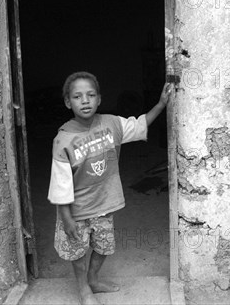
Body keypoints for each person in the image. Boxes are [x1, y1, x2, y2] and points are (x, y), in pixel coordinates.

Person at [48, 71, 172, 305]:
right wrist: (66, 217)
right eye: (77, 96)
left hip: (105, 203)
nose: (85, 100)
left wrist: (161, 104)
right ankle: (84, 289)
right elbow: (60, 183)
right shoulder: (63, 139)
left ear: (99, 99)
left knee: (104, 246)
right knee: (78, 251)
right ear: (68, 102)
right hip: (77, 208)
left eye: (90, 95)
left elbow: (138, 125)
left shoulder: (112, 123)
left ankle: (93, 279)